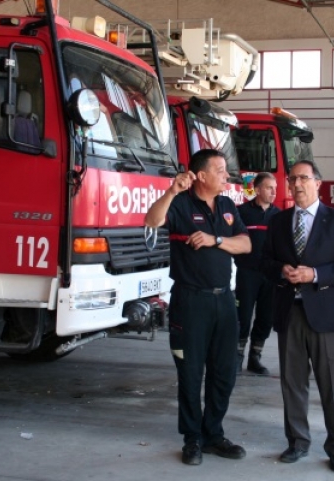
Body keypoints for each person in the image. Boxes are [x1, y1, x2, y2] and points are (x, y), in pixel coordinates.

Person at [144, 149, 251, 466]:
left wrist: (215, 239)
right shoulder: (180, 204)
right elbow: (152, 220)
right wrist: (172, 190)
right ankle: (192, 438)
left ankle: (214, 434)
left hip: (224, 301)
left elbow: (245, 244)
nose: (226, 175)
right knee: (190, 374)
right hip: (190, 302)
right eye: (220, 170)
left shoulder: (228, 207)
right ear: (201, 176)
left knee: (224, 373)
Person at [261, 160, 334, 473]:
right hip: (290, 312)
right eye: (293, 179)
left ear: (318, 182)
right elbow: (266, 262)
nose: (298, 184)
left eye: (304, 178)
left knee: (332, 386)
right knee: (293, 383)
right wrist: (282, 271)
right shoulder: (279, 222)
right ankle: (297, 442)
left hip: (327, 315)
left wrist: (314, 274)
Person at [235, 172, 280, 375]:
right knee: (242, 316)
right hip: (247, 273)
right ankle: (236, 357)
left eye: (275, 188)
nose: (274, 192)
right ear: (258, 189)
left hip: (270, 276)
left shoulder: (279, 216)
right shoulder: (242, 212)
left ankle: (255, 357)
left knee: (265, 318)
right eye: (270, 188)